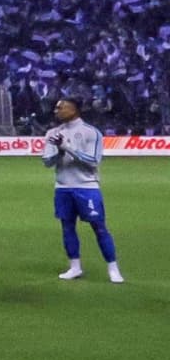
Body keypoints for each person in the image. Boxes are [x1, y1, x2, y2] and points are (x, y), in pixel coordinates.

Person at [42, 98, 123, 283]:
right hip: (63, 187)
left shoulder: (91, 132)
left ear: (73, 110)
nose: (56, 111)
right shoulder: (53, 133)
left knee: (99, 227)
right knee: (67, 227)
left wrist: (67, 147)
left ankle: (113, 268)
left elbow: (93, 161)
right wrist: (59, 151)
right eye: (56, 108)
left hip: (86, 186)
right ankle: (75, 267)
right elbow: (46, 162)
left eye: (60, 108)